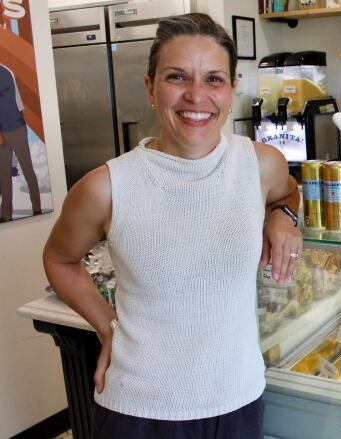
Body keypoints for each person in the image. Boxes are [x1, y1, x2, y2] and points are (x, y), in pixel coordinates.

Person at [42, 13, 302, 438]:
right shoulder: (105, 187)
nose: (195, 96)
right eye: (177, 77)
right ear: (150, 87)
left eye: (213, 79)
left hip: (238, 399)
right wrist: (106, 325)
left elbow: (287, 193)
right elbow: (59, 259)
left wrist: (284, 217)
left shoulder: (261, 163)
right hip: (138, 410)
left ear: (232, 89)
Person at [0, 63, 41, 222]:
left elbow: (11, 103)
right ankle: (5, 214)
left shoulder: (3, 72)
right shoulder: (7, 70)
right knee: (4, 173)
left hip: (14, 128)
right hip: (6, 129)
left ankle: (36, 207)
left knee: (26, 168)